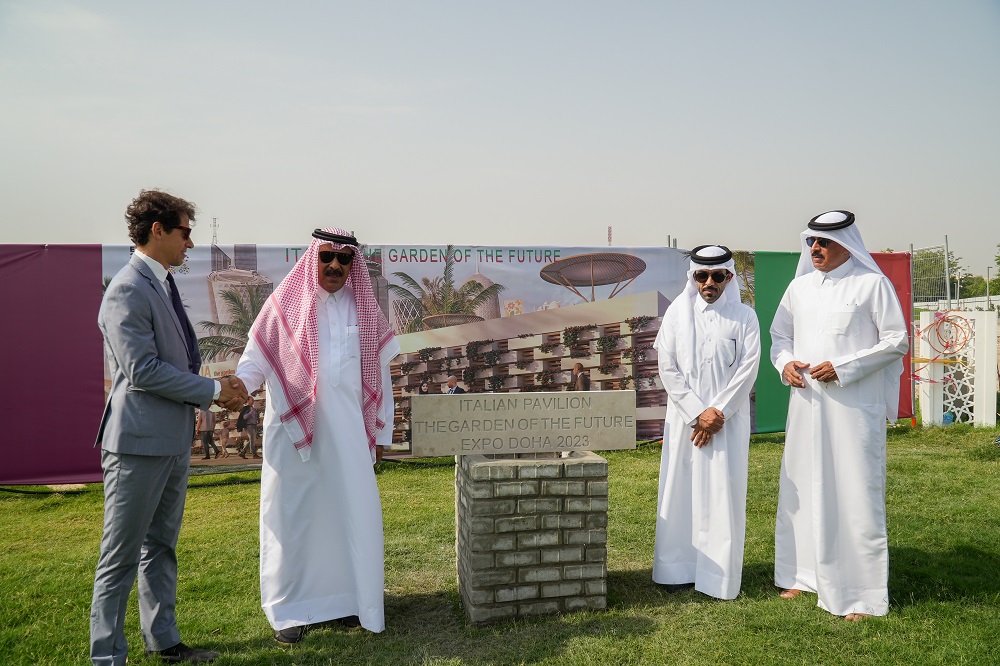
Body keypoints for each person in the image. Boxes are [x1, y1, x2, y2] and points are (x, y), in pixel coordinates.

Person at [91, 189, 247, 665]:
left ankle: (165, 641)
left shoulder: (161, 282)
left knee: (160, 546)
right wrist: (216, 392)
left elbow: (171, 362)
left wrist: (210, 388)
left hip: (171, 440)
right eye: (185, 232)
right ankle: (106, 657)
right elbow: (143, 370)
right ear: (157, 230)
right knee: (120, 556)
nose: (191, 243)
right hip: (137, 445)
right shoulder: (127, 288)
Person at [235, 227, 399, 645]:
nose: (335, 266)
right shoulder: (282, 307)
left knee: (348, 512)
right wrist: (235, 390)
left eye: (344, 260)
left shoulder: (364, 311)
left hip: (347, 437)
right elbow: (254, 362)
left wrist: (380, 435)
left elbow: (380, 377)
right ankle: (289, 609)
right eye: (327, 257)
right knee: (293, 517)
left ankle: (346, 601)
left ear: (353, 265)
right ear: (314, 258)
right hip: (293, 438)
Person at [770, 210, 908, 621]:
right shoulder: (799, 288)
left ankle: (861, 595)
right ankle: (803, 575)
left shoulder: (872, 285)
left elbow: (896, 339)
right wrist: (787, 364)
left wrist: (844, 367)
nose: (815, 248)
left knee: (853, 493)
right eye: (811, 241)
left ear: (846, 244)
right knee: (805, 485)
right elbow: (780, 336)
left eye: (824, 242)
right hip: (807, 407)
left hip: (852, 408)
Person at [651, 245, 761, 599]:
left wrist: (718, 412)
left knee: (722, 493)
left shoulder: (745, 318)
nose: (709, 283)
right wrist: (697, 412)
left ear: (730, 277)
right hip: (685, 420)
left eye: (717, 276)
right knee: (679, 491)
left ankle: (719, 578)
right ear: (693, 278)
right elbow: (666, 367)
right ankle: (675, 570)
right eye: (701, 276)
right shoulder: (675, 314)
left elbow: (748, 369)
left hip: (726, 422)